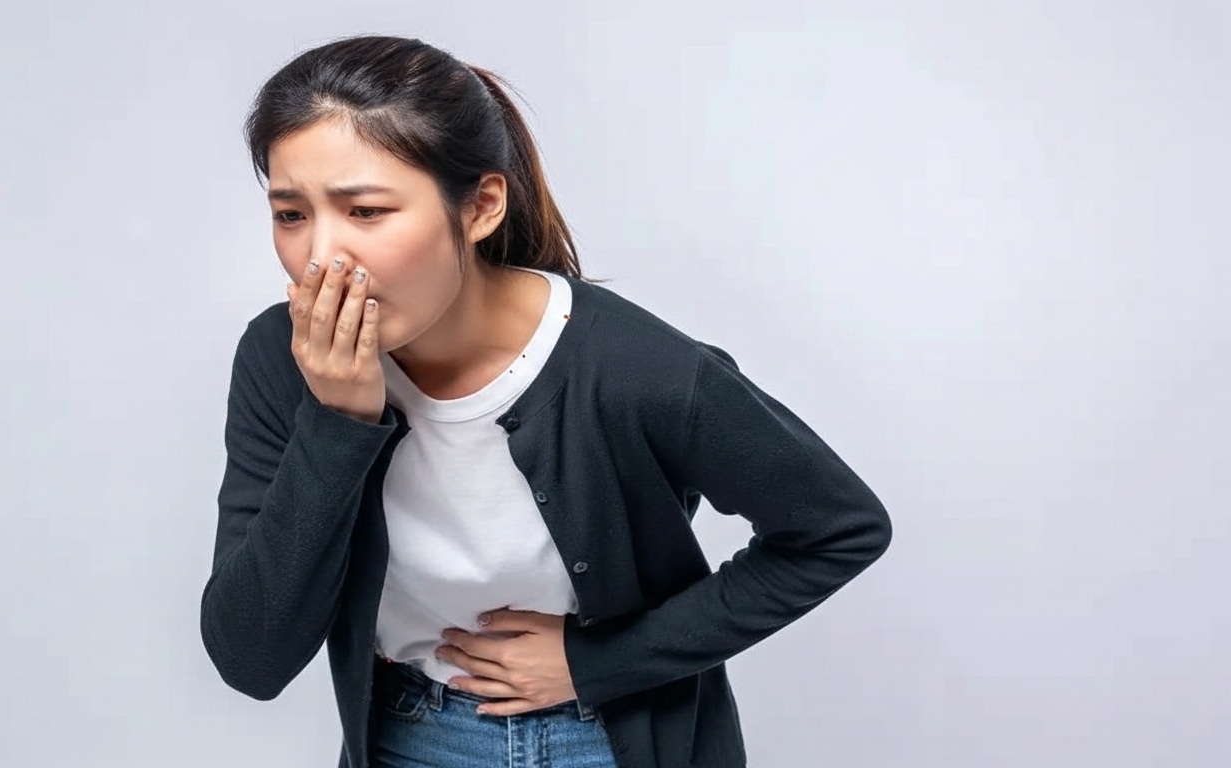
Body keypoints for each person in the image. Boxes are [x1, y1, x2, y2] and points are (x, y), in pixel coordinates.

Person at [199, 34, 892, 768]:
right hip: (409, 736)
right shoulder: (281, 360)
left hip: (612, 741)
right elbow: (252, 658)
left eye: (366, 211)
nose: (320, 258)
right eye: (291, 215)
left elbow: (838, 529)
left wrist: (598, 662)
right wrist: (337, 421)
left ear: (481, 207)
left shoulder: (632, 366)